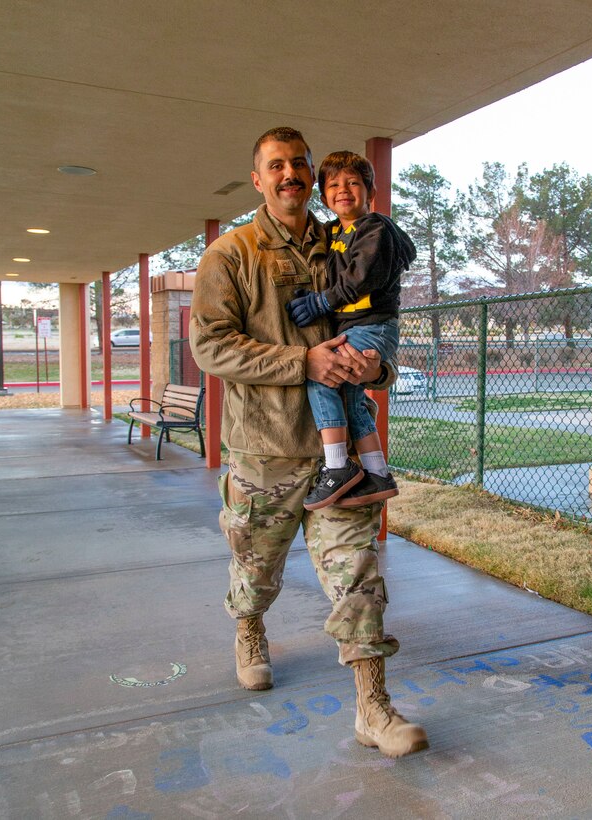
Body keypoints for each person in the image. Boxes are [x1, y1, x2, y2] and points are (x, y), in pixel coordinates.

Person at [189, 127, 428, 758]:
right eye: (277, 166)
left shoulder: (350, 241)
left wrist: (378, 371)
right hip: (264, 450)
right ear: (259, 179)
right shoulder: (231, 254)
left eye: (300, 164)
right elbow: (210, 346)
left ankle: (373, 707)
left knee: (359, 576)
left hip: (341, 460)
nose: (291, 174)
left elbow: (380, 324)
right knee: (255, 568)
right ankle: (250, 627)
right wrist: (304, 362)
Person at [285, 151, 415, 511]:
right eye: (334, 185)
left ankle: (338, 466)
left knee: (324, 378)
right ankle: (376, 472)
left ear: (369, 190)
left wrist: (321, 303)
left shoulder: (375, 228)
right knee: (351, 396)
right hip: (356, 326)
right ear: (324, 195)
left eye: (353, 183)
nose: (344, 190)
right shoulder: (333, 232)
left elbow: (361, 277)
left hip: (371, 325)